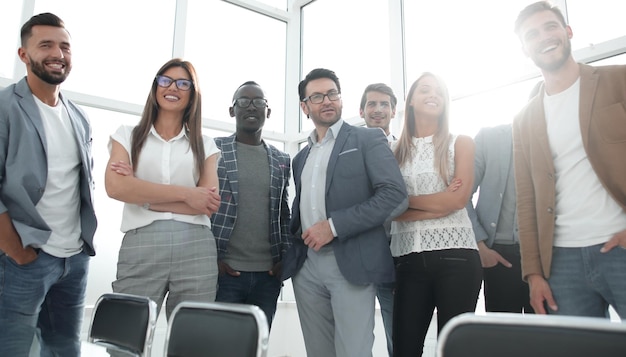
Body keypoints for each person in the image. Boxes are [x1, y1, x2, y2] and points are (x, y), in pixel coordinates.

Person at [281, 68, 408, 357]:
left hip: (351, 263)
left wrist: (334, 226)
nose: (327, 101)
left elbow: (394, 195)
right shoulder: (300, 157)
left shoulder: (367, 139)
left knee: (354, 351)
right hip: (307, 266)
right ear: (305, 106)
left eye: (332, 94)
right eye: (317, 96)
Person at [512, 1, 626, 318]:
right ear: (525, 49)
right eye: (532, 34)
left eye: (550, 26)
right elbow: (526, 200)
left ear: (568, 32)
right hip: (561, 262)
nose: (544, 37)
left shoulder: (619, 81)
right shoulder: (523, 119)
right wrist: (534, 274)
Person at [0, 13, 98, 356]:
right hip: (24, 259)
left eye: (65, 46)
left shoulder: (79, 116)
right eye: (46, 45)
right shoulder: (5, 107)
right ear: (24, 55)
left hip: (73, 259)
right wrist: (15, 250)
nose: (58, 53)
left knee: (64, 350)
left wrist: (83, 247)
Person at [105, 58, 221, 320]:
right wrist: (187, 194)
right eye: (165, 80)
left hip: (196, 247)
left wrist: (143, 196)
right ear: (155, 87)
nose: (173, 87)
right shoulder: (127, 135)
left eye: (183, 83)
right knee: (126, 332)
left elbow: (208, 204)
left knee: (193, 340)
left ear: (192, 94)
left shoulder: (206, 144)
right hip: (141, 243)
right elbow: (115, 187)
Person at [391, 72, 482, 356]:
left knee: (452, 350)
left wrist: (405, 204)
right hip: (407, 262)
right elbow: (388, 209)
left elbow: (457, 200)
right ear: (411, 102)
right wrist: (438, 202)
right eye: (425, 90)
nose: (433, 95)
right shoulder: (393, 152)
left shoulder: (461, 143)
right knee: (405, 349)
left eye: (439, 92)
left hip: (457, 258)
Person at [211, 81, 291, 328]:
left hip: (268, 277)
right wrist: (211, 258)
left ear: (268, 111)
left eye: (259, 102)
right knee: (219, 347)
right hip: (225, 273)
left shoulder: (282, 159)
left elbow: (284, 214)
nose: (251, 107)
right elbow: (200, 207)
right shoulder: (212, 149)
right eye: (243, 101)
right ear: (232, 110)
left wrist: (284, 259)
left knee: (255, 346)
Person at [466, 124, 533, 313]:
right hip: (498, 254)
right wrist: (480, 246)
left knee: (543, 337)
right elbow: (462, 196)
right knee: (503, 336)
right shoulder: (489, 138)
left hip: (545, 257)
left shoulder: (558, 139)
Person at [359, 82, 398, 356]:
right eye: (371, 104)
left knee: (397, 331)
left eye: (384, 104)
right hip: (356, 255)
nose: (378, 109)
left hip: (394, 256)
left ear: (394, 111)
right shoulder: (346, 151)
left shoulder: (404, 151)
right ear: (361, 111)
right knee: (356, 335)